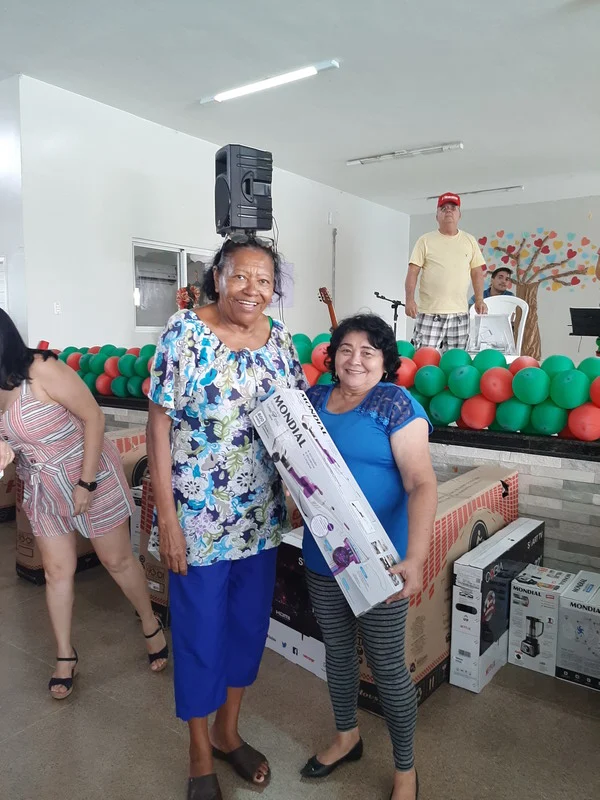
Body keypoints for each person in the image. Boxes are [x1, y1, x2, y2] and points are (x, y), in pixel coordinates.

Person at [146, 235, 308, 800]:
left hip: (261, 517)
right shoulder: (184, 333)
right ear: (217, 277)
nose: (251, 290)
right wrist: (168, 519)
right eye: (240, 276)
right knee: (199, 635)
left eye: (264, 281)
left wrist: (303, 494)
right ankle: (198, 754)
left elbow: (294, 420)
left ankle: (227, 731)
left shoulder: (280, 338)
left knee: (246, 628)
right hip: (197, 520)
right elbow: (159, 427)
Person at [299, 314, 437, 800]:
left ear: (385, 361)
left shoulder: (396, 405)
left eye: (368, 352)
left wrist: (415, 558)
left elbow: (421, 484)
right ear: (332, 356)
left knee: (386, 666)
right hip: (322, 555)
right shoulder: (312, 401)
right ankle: (347, 737)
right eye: (346, 349)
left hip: (381, 563)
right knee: (337, 652)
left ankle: (405, 770)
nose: (355, 360)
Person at [0, 309, 169, 700]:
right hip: (42, 486)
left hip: (89, 473)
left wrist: (86, 483)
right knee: (57, 571)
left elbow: (93, 416)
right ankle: (65, 655)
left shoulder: (41, 369)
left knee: (117, 560)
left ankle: (150, 623)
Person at [405, 192, 487, 351]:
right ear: (437, 216)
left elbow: (477, 272)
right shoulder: (425, 240)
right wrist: (409, 300)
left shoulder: (469, 240)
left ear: (459, 215)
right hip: (430, 313)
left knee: (457, 360)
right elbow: (413, 272)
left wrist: (479, 300)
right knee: (424, 358)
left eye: (453, 208)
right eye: (443, 208)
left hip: (459, 315)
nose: (448, 210)